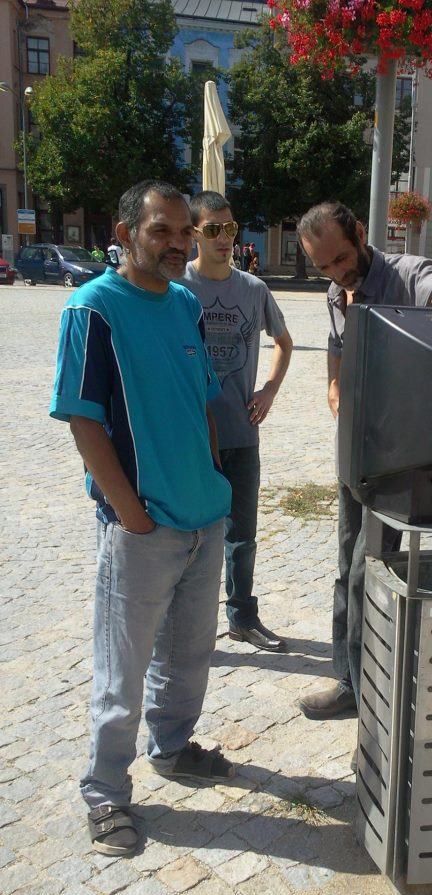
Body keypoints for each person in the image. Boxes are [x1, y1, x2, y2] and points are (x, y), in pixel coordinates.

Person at [49, 180, 234, 857]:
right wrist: (128, 513)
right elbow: (82, 417)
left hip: (204, 515)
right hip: (143, 526)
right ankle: (104, 794)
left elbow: (203, 399)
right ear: (126, 233)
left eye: (186, 231)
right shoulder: (92, 309)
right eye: (163, 230)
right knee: (121, 668)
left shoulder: (185, 303)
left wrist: (214, 479)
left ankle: (174, 747)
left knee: (188, 654)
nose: (180, 243)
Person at [295, 201, 432, 728]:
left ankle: (369, 683)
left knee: (366, 569)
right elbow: (337, 344)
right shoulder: (337, 293)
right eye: (324, 267)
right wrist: (333, 383)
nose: (336, 274)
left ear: (359, 232)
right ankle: (350, 677)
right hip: (355, 452)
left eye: (340, 259)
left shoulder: (406, 276)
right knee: (344, 566)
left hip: (399, 459)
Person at [179, 190, 293, 652]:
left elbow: (284, 342)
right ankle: (187, 630)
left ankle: (242, 617)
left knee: (241, 536)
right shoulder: (178, 289)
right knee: (188, 539)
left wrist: (268, 390)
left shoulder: (254, 290)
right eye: (213, 229)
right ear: (194, 236)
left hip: (242, 435)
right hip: (192, 438)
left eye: (230, 228)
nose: (225, 237)